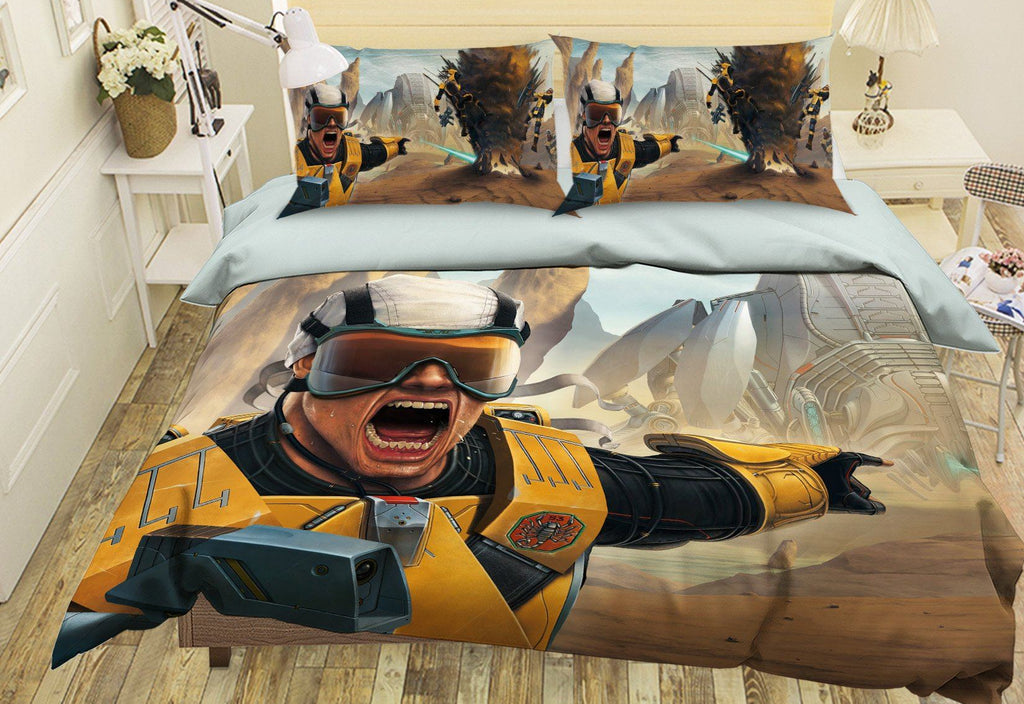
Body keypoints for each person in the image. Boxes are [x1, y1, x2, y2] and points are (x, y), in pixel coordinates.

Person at [53, 275, 888, 665]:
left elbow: (672, 500)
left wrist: (812, 485)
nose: (429, 385)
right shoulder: (187, 487)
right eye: (375, 359)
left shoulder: (536, 470)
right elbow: (63, 620)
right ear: (304, 370)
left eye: (473, 369)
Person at [294, 83, 408, 206]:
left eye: (339, 117)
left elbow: (377, 153)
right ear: (309, 119)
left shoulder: (352, 152)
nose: (332, 123)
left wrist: (397, 147)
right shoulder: (292, 159)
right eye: (321, 117)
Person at [570, 80, 681, 204]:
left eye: (613, 114)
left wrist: (670, 144)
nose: (606, 120)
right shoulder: (566, 156)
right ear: (584, 115)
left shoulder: (626, 149)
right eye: (596, 113)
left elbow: (650, 150)